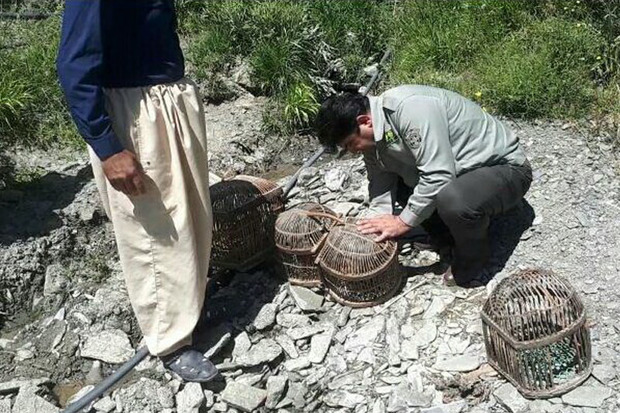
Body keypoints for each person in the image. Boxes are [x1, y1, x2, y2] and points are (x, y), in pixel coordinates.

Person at [57, 0, 217, 381]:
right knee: (157, 228)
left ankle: (187, 309)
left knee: (191, 216)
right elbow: (73, 64)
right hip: (137, 110)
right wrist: (108, 147)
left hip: (167, 101)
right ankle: (170, 340)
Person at [315, 85, 532, 287]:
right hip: (462, 175)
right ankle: (448, 238)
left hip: (505, 169)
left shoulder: (410, 109)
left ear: (365, 121)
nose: (353, 151)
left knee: (453, 200)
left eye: (351, 144)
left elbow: (438, 175)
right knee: (403, 186)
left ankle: (474, 259)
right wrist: (375, 228)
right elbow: (381, 182)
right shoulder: (372, 137)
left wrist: (402, 222)